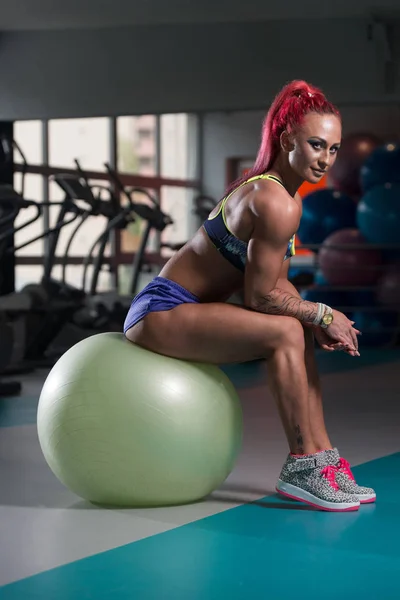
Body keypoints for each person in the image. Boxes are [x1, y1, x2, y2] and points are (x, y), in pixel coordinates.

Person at [124, 80, 376, 512]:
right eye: (316, 145)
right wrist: (321, 313)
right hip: (161, 310)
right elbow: (258, 298)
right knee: (285, 332)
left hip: (192, 311)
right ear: (286, 140)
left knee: (297, 326)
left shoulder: (279, 193)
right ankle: (302, 466)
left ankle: (323, 459)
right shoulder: (273, 200)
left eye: (333, 149)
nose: (326, 160)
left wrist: (315, 320)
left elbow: (279, 285)